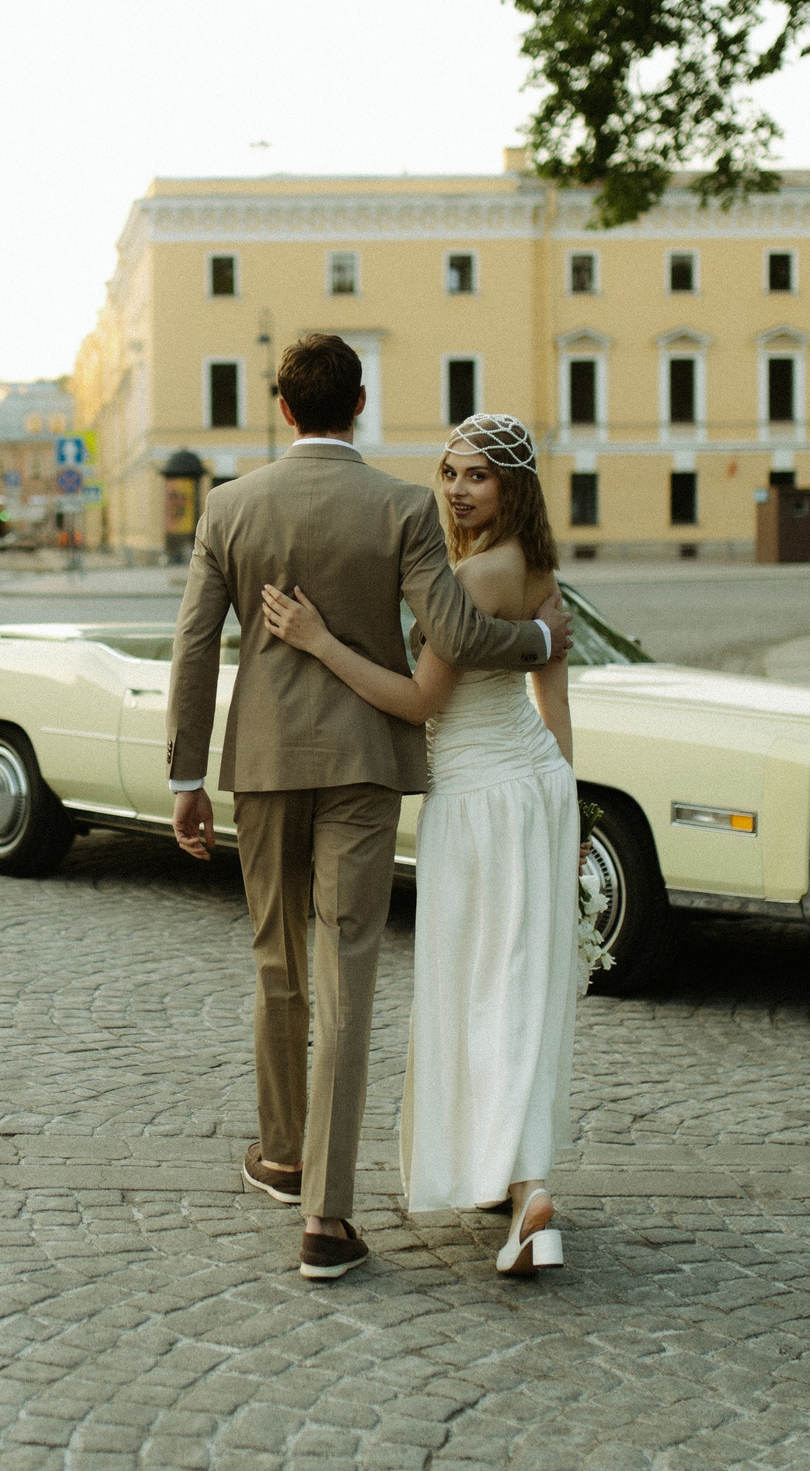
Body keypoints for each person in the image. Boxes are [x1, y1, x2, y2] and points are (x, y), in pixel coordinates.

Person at [166, 336, 570, 1282]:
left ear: (282, 405)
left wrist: (188, 777)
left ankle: (282, 1154)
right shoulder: (400, 507)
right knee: (347, 970)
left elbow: (192, 644)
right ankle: (326, 1218)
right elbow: (463, 632)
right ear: (359, 401)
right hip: (364, 767)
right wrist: (540, 637)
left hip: (262, 763)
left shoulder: (228, 507)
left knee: (277, 956)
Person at [256, 413, 588, 1277]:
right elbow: (554, 699)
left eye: (476, 475)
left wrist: (318, 639)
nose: (455, 487)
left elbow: (417, 702)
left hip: (479, 794)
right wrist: (565, 801)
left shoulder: (475, 575)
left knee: (480, 990)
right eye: (448, 470)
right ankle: (517, 1183)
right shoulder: (540, 570)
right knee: (518, 986)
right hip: (534, 779)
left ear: (511, 486)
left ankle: (524, 1189)